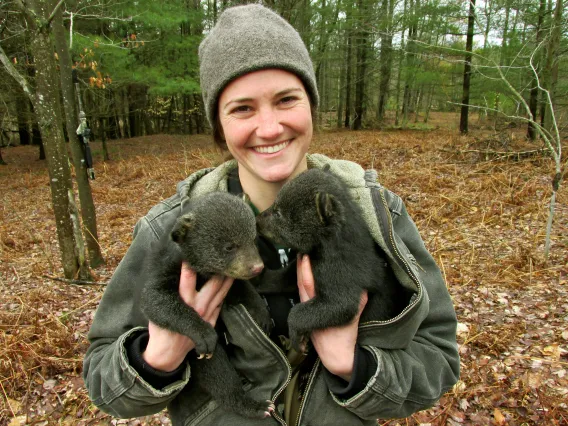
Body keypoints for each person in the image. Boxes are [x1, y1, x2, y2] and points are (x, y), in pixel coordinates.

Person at [83, 5, 460, 425]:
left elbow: (439, 359)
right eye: (242, 108)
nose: (268, 127)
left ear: (311, 106)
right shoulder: (175, 229)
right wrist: (158, 359)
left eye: (286, 99)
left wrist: (354, 368)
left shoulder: (375, 216)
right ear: (218, 126)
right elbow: (104, 384)